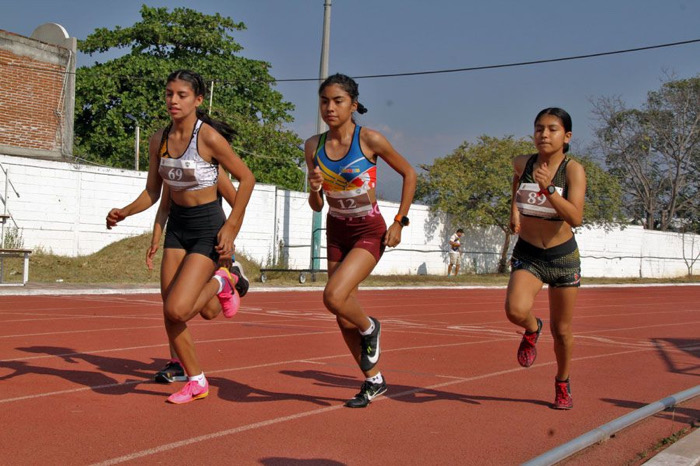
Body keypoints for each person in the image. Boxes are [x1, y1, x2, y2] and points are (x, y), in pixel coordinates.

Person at [106, 69, 255, 404]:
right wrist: (124, 212)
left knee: (178, 309)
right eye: (169, 93)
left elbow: (247, 179)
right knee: (176, 309)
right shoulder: (159, 139)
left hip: (207, 229)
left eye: (182, 95)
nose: (173, 100)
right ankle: (195, 378)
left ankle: (222, 281)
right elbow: (152, 192)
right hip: (178, 227)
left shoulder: (208, 139)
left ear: (198, 100)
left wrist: (231, 228)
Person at [305, 73, 416, 408]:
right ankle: (374, 380)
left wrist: (399, 221)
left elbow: (409, 174)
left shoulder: (370, 139)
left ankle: (370, 328)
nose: (330, 108)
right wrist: (313, 189)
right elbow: (317, 204)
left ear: (353, 105)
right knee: (340, 312)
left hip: (369, 230)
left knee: (334, 296)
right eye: (324, 101)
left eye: (338, 101)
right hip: (336, 229)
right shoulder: (314, 146)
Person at [507, 107, 586, 410]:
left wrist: (549, 190)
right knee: (515, 310)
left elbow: (576, 217)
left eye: (552, 129)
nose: (544, 134)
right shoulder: (523, 162)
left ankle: (562, 381)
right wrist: (513, 210)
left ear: (566, 136)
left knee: (563, 331)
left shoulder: (573, 170)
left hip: (562, 256)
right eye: (539, 128)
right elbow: (515, 179)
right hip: (529, 252)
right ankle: (531, 328)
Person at [147, 168, 250, 384]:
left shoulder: (211, 164)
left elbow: (237, 203)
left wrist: (229, 238)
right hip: (177, 232)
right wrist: (155, 238)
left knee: (208, 311)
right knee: (169, 301)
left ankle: (227, 279)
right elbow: (164, 204)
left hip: (207, 234)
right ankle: (177, 363)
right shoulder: (171, 158)